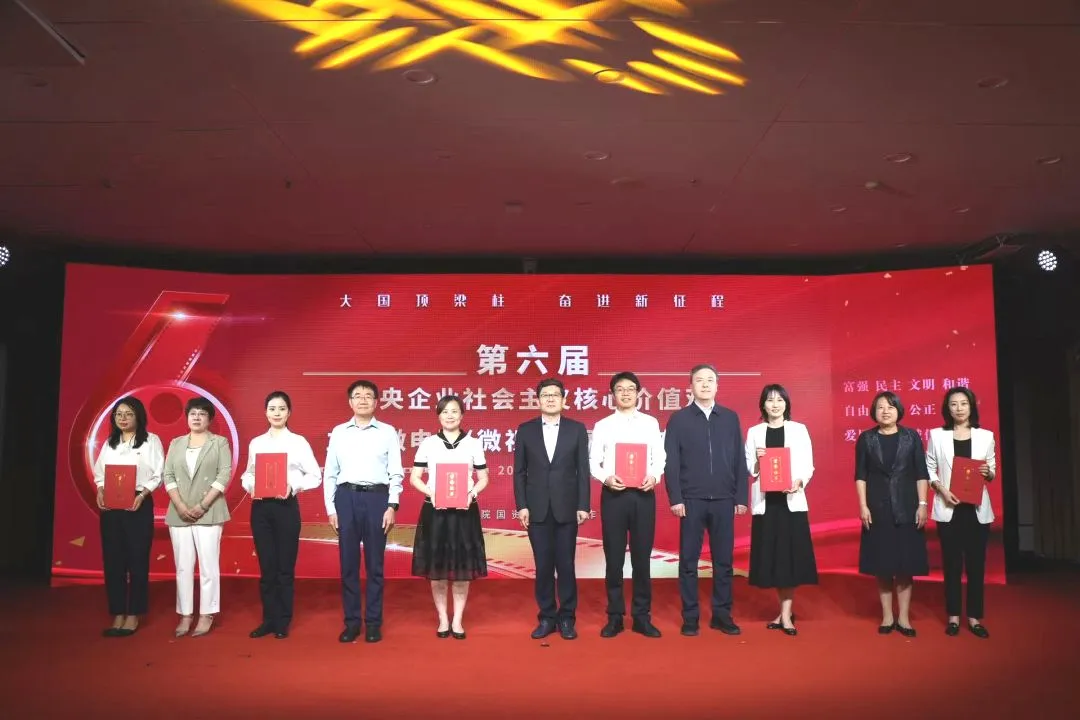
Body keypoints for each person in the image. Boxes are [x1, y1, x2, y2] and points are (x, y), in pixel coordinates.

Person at [664, 364, 747, 637]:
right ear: (691, 386)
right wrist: (676, 497)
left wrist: (741, 496)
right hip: (691, 499)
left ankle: (722, 615)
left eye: (710, 380)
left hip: (724, 499)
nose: (705, 384)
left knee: (723, 561)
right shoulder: (679, 419)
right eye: (699, 380)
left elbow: (739, 458)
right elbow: (671, 462)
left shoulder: (730, 418)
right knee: (689, 561)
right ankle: (690, 617)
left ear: (717, 385)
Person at [324, 379, 403, 644]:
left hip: (377, 499)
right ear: (350, 402)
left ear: (376, 402)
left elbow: (396, 472)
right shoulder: (339, 432)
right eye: (357, 395)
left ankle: (373, 623)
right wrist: (331, 508)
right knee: (348, 565)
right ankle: (352, 623)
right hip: (345, 498)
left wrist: (392, 505)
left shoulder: (387, 432)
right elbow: (330, 473)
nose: (363, 400)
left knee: (375, 565)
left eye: (368, 395)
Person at [240, 391, 322, 640]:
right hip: (261, 508)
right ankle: (268, 619)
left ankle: (283, 621)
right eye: (272, 408)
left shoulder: (298, 442)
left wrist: (292, 486)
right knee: (267, 567)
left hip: (286, 507)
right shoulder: (256, 443)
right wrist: (251, 486)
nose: (277, 413)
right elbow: (248, 473)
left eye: (282, 409)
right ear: (265, 412)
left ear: (289, 413)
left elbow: (315, 475)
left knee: (285, 567)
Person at [513, 378, 591, 640]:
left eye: (555, 395)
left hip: (567, 507)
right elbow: (519, 472)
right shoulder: (525, 430)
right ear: (538, 400)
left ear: (564, 400)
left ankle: (567, 618)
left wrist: (583, 505)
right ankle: (547, 617)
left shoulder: (576, 429)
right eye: (545, 395)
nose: (550, 399)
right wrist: (522, 505)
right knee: (543, 566)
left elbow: (583, 470)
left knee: (566, 565)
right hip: (536, 509)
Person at [589, 371, 665, 638]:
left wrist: (654, 476)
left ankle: (642, 617)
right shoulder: (603, 425)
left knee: (642, 558)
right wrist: (606, 478)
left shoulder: (650, 423)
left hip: (643, 495)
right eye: (619, 389)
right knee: (614, 558)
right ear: (613, 395)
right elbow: (593, 461)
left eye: (630, 389)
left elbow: (659, 457)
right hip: (614, 496)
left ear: (638, 393)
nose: (625, 393)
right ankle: (615, 616)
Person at [408, 395, 489, 639]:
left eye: (454, 411)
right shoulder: (428, 443)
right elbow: (414, 477)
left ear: (462, 415)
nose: (450, 416)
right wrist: (430, 492)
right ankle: (443, 618)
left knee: (463, 570)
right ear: (438, 415)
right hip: (436, 512)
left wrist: (472, 493)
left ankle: (457, 620)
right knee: (438, 570)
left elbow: (483, 477)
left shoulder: (473, 443)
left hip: (464, 513)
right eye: (445, 411)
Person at [744, 384, 818, 637]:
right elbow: (751, 468)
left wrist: (799, 481)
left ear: (786, 404)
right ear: (763, 405)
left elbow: (808, 465)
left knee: (789, 558)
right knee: (774, 558)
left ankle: (786, 614)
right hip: (767, 504)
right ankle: (783, 611)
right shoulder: (754, 432)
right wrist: (758, 459)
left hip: (791, 502)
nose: (775, 405)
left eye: (779, 400)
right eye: (770, 400)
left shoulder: (798, 430)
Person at [855, 391, 930, 637]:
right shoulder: (866, 439)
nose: (885, 411)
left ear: (898, 410)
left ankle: (904, 618)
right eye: (880, 407)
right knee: (883, 565)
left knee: (905, 566)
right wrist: (863, 505)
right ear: (873, 412)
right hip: (877, 509)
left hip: (907, 507)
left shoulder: (911, 437)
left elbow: (921, 473)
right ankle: (887, 616)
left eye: (890, 407)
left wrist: (922, 504)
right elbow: (860, 475)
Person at [926, 387, 996, 639]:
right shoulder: (937, 436)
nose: (959, 408)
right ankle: (953, 616)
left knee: (976, 566)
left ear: (971, 406)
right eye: (953, 404)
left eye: (963, 403)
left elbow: (992, 471)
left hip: (976, 511)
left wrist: (988, 472)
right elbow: (929, 468)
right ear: (947, 408)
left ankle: (974, 617)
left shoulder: (986, 436)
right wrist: (942, 490)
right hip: (949, 509)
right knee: (952, 565)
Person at [93, 396, 164, 637]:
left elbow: (158, 474)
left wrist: (142, 495)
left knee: (137, 560)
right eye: (119, 414)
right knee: (113, 561)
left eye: (128, 414)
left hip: (138, 502)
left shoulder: (151, 441)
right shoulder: (109, 443)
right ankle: (117, 613)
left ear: (138, 416)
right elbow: (100, 473)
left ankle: (133, 614)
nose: (123, 418)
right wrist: (100, 490)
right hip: (111, 506)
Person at [163, 396, 232, 638]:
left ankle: (207, 613)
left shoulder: (219, 443)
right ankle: (185, 614)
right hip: (179, 512)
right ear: (187, 417)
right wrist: (180, 505)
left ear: (209, 419)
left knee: (208, 565)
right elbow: (168, 475)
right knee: (183, 566)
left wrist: (203, 505)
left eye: (202, 414)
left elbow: (224, 475)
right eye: (193, 413)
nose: (197, 417)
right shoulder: (176, 443)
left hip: (210, 510)